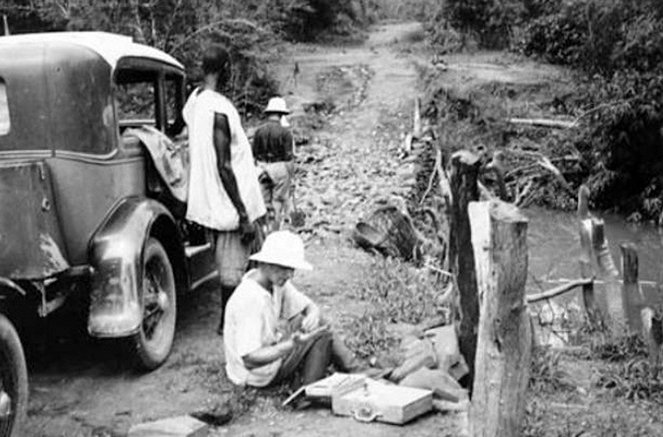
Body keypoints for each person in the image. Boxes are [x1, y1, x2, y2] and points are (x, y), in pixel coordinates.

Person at [183, 44, 266, 334]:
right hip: (229, 206)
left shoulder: (196, 102)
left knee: (239, 266)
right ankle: (228, 326)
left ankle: (234, 321)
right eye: (230, 70)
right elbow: (224, 166)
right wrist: (243, 213)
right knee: (233, 271)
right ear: (225, 70)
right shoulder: (219, 109)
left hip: (212, 204)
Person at [223, 230, 361, 389]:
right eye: (284, 268)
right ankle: (311, 391)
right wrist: (291, 345)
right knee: (323, 333)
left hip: (267, 357)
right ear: (267, 263)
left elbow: (309, 306)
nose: (290, 275)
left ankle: (357, 369)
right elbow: (249, 359)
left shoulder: (273, 283)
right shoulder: (250, 299)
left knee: (318, 322)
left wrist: (313, 314)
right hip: (255, 375)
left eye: (292, 269)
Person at [252, 96, 295, 231]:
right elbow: (289, 158)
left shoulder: (259, 131)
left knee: (263, 202)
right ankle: (274, 230)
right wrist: (291, 176)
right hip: (279, 167)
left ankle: (263, 231)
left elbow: (253, 153)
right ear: (282, 114)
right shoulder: (285, 133)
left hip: (261, 167)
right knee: (277, 201)